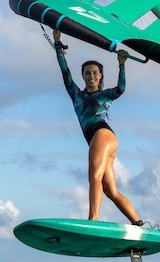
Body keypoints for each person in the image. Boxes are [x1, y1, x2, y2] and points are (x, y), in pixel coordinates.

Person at [53, 29, 143, 226]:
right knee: (110, 190)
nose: (91, 75)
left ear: (100, 75)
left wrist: (121, 64)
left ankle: (93, 219)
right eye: (87, 73)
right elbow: (65, 72)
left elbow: (121, 89)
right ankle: (139, 224)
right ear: (83, 76)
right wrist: (58, 45)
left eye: (95, 72)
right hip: (102, 141)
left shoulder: (105, 95)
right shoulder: (76, 95)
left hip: (102, 134)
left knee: (94, 176)